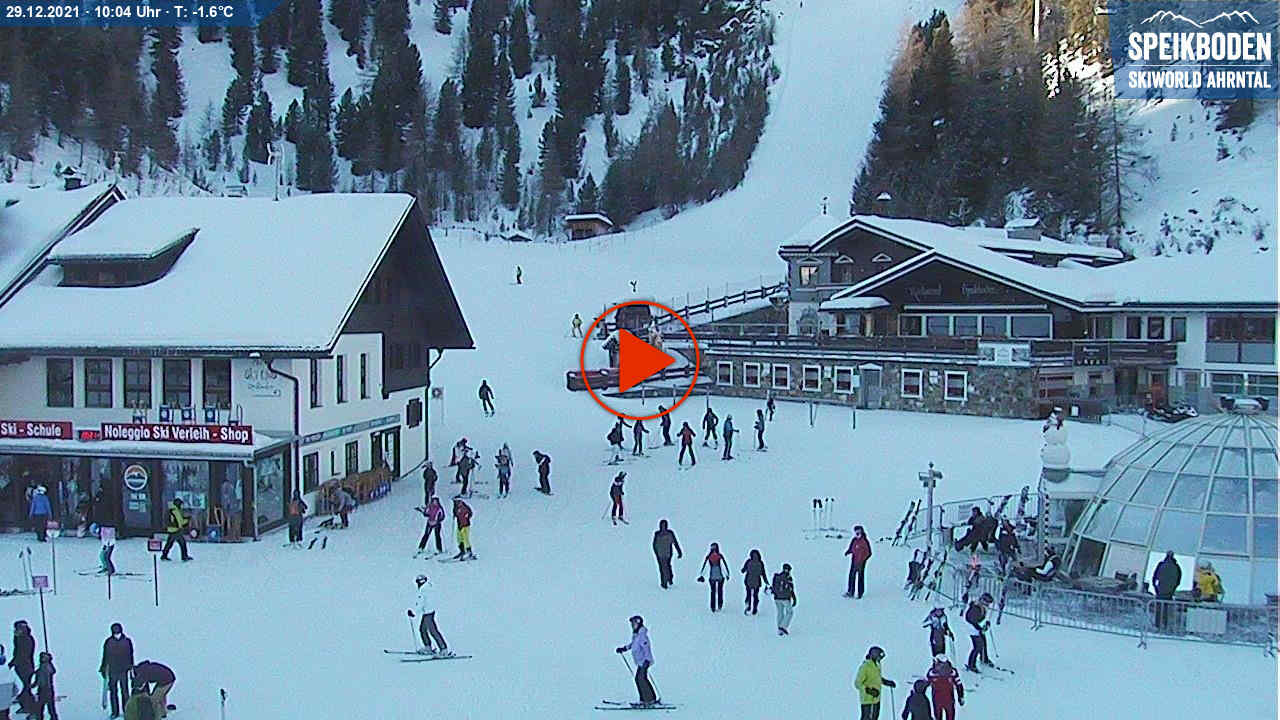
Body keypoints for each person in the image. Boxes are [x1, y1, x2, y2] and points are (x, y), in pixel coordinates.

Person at [614, 616, 657, 706]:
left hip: (644, 661)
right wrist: (624, 648)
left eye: (634, 623)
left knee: (641, 679)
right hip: (640, 662)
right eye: (632, 624)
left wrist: (647, 660)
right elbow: (632, 645)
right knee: (639, 679)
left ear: (638, 623)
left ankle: (649, 700)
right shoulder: (636, 636)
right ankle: (646, 699)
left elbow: (646, 648)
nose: (632, 625)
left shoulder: (642, 636)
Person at [408, 574, 451, 656]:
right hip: (429, 611)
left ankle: (443, 649)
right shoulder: (429, 588)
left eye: (418, 582)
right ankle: (428, 647)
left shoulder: (423, 590)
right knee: (423, 629)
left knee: (432, 631)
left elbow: (421, 603)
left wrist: (413, 612)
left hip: (428, 612)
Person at [99, 622, 134, 719]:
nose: (116, 633)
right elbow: (105, 656)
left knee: (125, 692)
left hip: (123, 670)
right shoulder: (108, 642)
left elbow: (131, 655)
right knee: (113, 692)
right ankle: (115, 712)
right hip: (112, 670)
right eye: (115, 632)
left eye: (118, 631)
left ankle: (127, 711)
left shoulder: (127, 641)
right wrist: (103, 667)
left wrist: (131, 667)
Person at [853, 646, 895, 720]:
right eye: (879, 656)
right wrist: (869, 690)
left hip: (876, 699)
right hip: (868, 700)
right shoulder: (865, 666)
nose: (880, 659)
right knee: (866, 718)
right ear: (874, 655)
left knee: (874, 718)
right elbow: (857, 683)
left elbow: (876, 678)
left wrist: (886, 682)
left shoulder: (877, 665)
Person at [926, 655, 965, 720]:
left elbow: (925, 684)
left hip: (937, 700)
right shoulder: (952, 672)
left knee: (938, 717)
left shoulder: (932, 673)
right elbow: (959, 684)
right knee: (950, 717)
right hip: (949, 699)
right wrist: (961, 696)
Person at [963, 593, 993, 672]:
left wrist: (985, 625)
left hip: (976, 628)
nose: (988, 605)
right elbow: (971, 620)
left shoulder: (982, 607)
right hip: (972, 629)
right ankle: (971, 664)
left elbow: (979, 620)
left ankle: (984, 659)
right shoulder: (976, 608)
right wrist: (980, 628)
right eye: (987, 602)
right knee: (978, 646)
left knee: (984, 642)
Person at [8, 621, 33, 714]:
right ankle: (25, 699)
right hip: (22, 666)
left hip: (25, 666)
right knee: (26, 685)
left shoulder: (25, 639)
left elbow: (21, 654)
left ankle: (26, 704)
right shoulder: (20, 638)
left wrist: (12, 663)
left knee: (26, 685)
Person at [1152, 551, 1182, 629]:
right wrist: (1173, 589)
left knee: (1159, 608)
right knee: (1166, 609)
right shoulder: (1176, 566)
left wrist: (1156, 588)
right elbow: (1178, 580)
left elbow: (1154, 577)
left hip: (1160, 590)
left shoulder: (1161, 564)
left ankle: (1157, 625)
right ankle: (1165, 624)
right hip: (1169, 592)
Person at [699, 543, 729, 612]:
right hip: (719, 576)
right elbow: (723, 566)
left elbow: (705, 567)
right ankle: (719, 605)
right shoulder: (719, 556)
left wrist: (702, 575)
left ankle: (713, 606)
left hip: (713, 577)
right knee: (719, 591)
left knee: (713, 592)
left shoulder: (709, 557)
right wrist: (727, 574)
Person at [652, 520, 682, 589]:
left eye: (664, 525)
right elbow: (654, 544)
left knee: (667, 566)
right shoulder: (657, 534)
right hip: (660, 554)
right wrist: (656, 552)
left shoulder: (670, 533)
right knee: (662, 568)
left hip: (668, 554)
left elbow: (675, 542)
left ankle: (669, 578)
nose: (663, 527)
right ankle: (664, 582)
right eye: (662, 526)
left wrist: (679, 552)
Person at [845, 525, 873, 599]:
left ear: (862, 531)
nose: (857, 532)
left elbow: (869, 553)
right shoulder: (854, 540)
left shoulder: (864, 541)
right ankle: (850, 592)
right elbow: (851, 548)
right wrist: (848, 551)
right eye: (856, 530)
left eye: (858, 530)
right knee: (851, 576)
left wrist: (863, 559)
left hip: (861, 562)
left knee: (860, 577)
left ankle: (860, 593)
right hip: (854, 560)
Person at [771, 563, 797, 635]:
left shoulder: (777, 577)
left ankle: (779, 629)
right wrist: (794, 598)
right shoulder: (788, 578)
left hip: (777, 598)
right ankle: (783, 627)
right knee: (790, 612)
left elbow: (773, 587)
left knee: (780, 613)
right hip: (785, 598)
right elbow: (791, 589)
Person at [740, 549, 767, 615]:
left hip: (748, 580)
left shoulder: (748, 561)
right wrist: (766, 581)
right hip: (757, 581)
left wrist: (744, 570)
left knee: (748, 594)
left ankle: (748, 606)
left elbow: (743, 570)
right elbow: (763, 573)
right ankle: (755, 609)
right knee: (755, 596)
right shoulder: (760, 563)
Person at [32, 652, 55, 720]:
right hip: (46, 689)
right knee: (49, 707)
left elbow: (40, 680)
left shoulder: (45, 667)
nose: (42, 659)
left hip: (45, 689)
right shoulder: (43, 667)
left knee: (41, 707)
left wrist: (34, 685)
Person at [219, 477, 240, 542]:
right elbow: (225, 497)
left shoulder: (229, 486)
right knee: (230, 520)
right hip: (230, 506)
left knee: (231, 520)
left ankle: (233, 535)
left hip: (231, 506)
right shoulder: (228, 486)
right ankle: (232, 535)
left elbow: (226, 497)